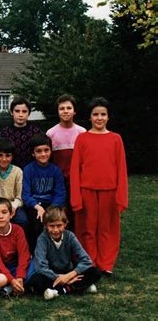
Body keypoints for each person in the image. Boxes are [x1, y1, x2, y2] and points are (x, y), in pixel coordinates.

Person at [70, 97, 128, 275]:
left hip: (109, 191)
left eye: (103, 114)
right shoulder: (82, 138)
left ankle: (106, 263)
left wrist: (121, 196)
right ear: (90, 117)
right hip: (86, 190)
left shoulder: (115, 139)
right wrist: (76, 196)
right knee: (87, 228)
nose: (99, 118)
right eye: (96, 114)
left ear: (108, 117)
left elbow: (121, 168)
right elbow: (75, 169)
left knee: (107, 229)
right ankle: (89, 261)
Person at [28, 206, 102, 300]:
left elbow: (86, 260)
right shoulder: (42, 239)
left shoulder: (70, 236)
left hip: (68, 271)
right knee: (36, 280)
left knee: (96, 272)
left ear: (65, 224)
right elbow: (41, 266)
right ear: (45, 225)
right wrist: (60, 278)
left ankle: (59, 290)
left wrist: (69, 276)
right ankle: (77, 287)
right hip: (51, 274)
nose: (55, 230)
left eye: (59, 225)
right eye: (51, 226)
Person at [46, 94, 86, 231]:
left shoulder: (82, 132)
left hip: (78, 181)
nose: (65, 111)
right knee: (61, 213)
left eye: (69, 108)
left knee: (77, 212)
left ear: (74, 111)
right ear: (57, 111)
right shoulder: (51, 133)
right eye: (62, 108)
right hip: (58, 181)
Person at [0, 198, 34, 297]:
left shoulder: (18, 230)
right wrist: (11, 279)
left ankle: (7, 288)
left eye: (4, 212)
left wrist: (20, 277)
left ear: (11, 214)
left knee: (35, 263)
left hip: (15, 267)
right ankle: (14, 286)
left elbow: (24, 254)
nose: (1, 216)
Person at [22, 133, 66, 253]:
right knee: (36, 225)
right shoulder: (28, 169)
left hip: (51, 205)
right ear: (33, 153)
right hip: (34, 206)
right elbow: (25, 195)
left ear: (51, 151)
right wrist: (37, 207)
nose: (43, 154)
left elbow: (60, 194)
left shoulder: (55, 170)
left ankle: (56, 252)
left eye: (46, 150)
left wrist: (51, 209)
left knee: (56, 223)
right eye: (39, 151)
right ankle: (33, 252)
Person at [0, 138, 26, 232]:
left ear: (12, 157)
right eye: (0, 155)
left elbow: (19, 197)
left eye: (8, 156)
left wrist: (13, 207)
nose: (4, 159)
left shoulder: (17, 171)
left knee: (22, 220)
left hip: (13, 205)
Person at [0, 95, 41, 169]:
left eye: (24, 111)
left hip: (32, 171)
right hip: (11, 172)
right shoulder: (5, 133)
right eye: (17, 111)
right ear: (11, 112)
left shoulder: (36, 132)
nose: (20, 115)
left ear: (28, 113)